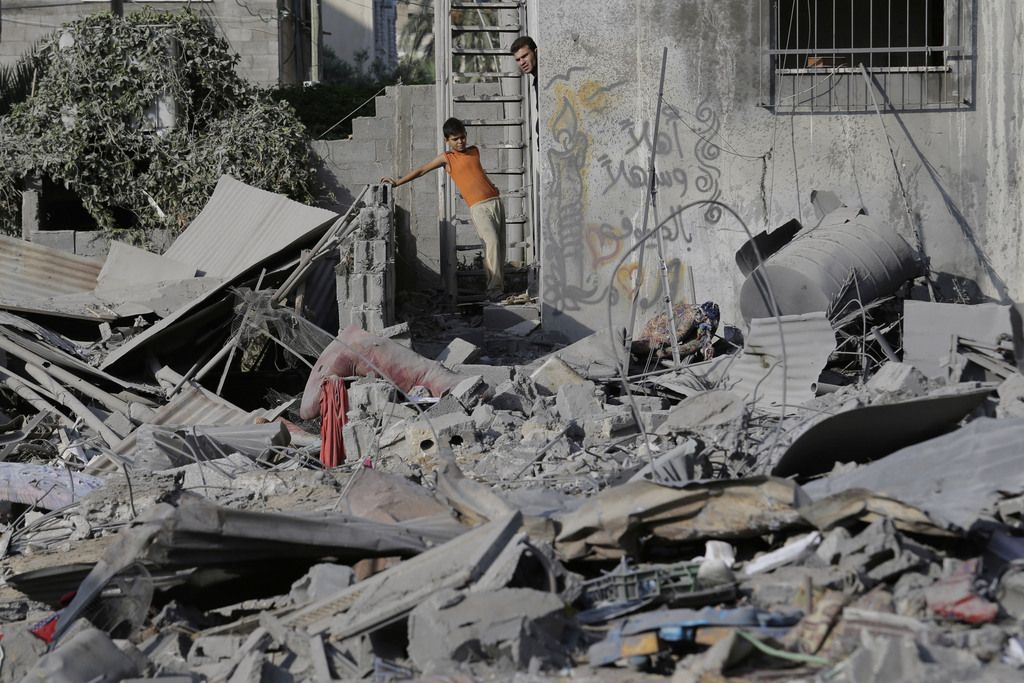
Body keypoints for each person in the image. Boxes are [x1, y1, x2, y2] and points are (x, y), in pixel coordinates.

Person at [382, 117, 506, 301]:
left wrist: (491, 187)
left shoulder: (474, 151)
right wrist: (398, 182)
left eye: (462, 137)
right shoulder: (447, 158)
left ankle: (497, 288)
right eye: (455, 139)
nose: (460, 141)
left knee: (500, 248)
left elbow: (477, 175)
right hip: (479, 208)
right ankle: (493, 290)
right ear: (447, 140)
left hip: (495, 201)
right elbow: (423, 169)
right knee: (492, 243)